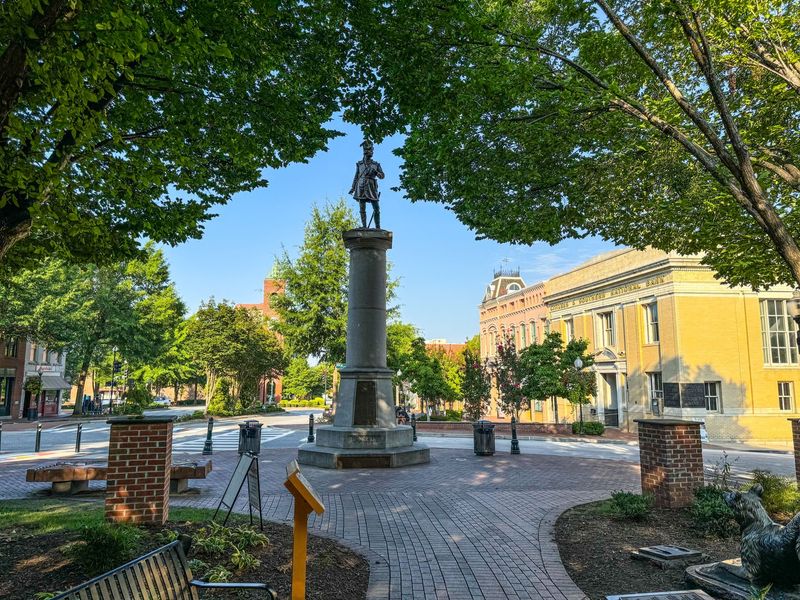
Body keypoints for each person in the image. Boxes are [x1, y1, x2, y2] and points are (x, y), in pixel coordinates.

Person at [349, 139, 385, 228]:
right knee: (362, 208)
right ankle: (364, 226)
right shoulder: (359, 164)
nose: (372, 152)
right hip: (360, 186)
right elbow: (356, 177)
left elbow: (382, 176)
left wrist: (376, 172)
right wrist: (353, 188)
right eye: (370, 150)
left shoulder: (376, 164)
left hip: (371, 187)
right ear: (365, 151)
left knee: (376, 208)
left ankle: (378, 227)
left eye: (372, 150)